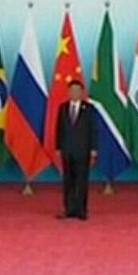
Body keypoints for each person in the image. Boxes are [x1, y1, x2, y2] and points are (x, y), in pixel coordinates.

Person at [54, 79, 97, 220]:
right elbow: (59, 129)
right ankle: (69, 209)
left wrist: (94, 149)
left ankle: (81, 210)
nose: (74, 93)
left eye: (77, 90)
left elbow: (94, 130)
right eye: (72, 90)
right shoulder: (63, 108)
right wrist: (58, 147)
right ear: (68, 92)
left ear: (82, 92)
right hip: (67, 150)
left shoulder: (89, 109)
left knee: (81, 181)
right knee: (68, 181)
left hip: (83, 150)